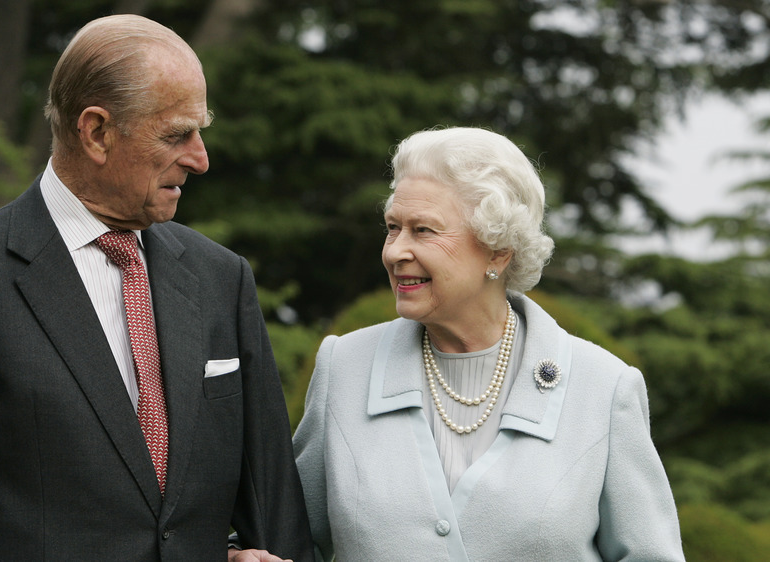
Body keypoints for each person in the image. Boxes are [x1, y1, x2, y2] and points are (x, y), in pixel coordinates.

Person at [0, 14, 312, 561]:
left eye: (201, 131)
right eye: (177, 134)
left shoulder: (222, 278)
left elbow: (275, 510)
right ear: (97, 132)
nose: (201, 158)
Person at [292, 127, 685, 561]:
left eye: (423, 231)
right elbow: (289, 539)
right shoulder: (344, 367)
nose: (395, 251)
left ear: (498, 251)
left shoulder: (604, 388)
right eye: (392, 228)